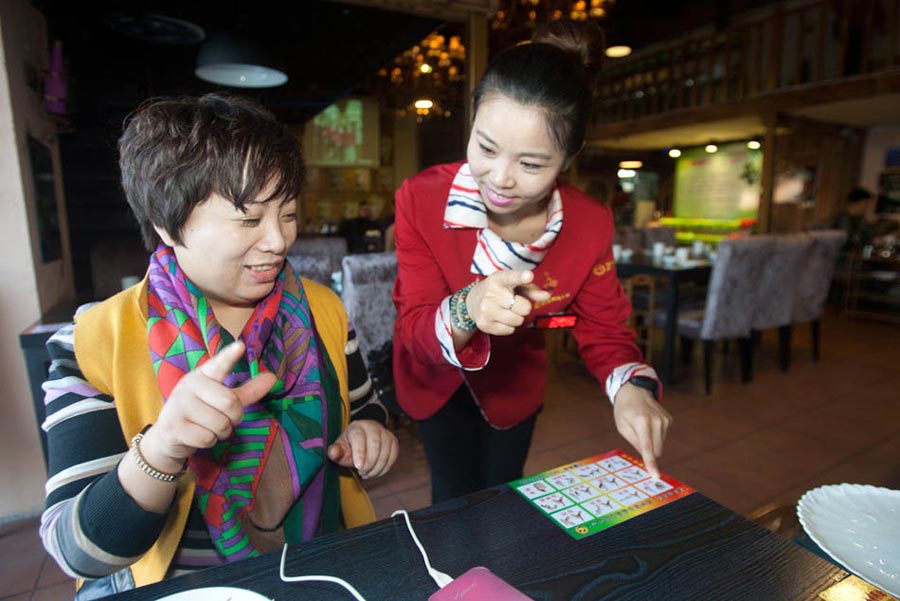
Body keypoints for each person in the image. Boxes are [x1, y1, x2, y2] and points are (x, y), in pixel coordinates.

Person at [39, 94, 398, 597]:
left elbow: (366, 408)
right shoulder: (95, 341)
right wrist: (162, 449)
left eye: (288, 212)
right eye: (249, 219)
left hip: (315, 565)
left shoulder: (323, 310)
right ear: (167, 223)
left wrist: (369, 433)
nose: (279, 240)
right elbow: (79, 551)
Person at [392, 20, 672, 504]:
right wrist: (469, 306)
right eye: (485, 147)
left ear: (569, 156)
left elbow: (605, 330)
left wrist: (632, 388)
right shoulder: (421, 199)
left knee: (502, 501)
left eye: (531, 164)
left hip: (514, 386)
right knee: (450, 500)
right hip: (433, 378)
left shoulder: (588, 224)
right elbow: (414, 328)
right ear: (472, 119)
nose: (499, 179)